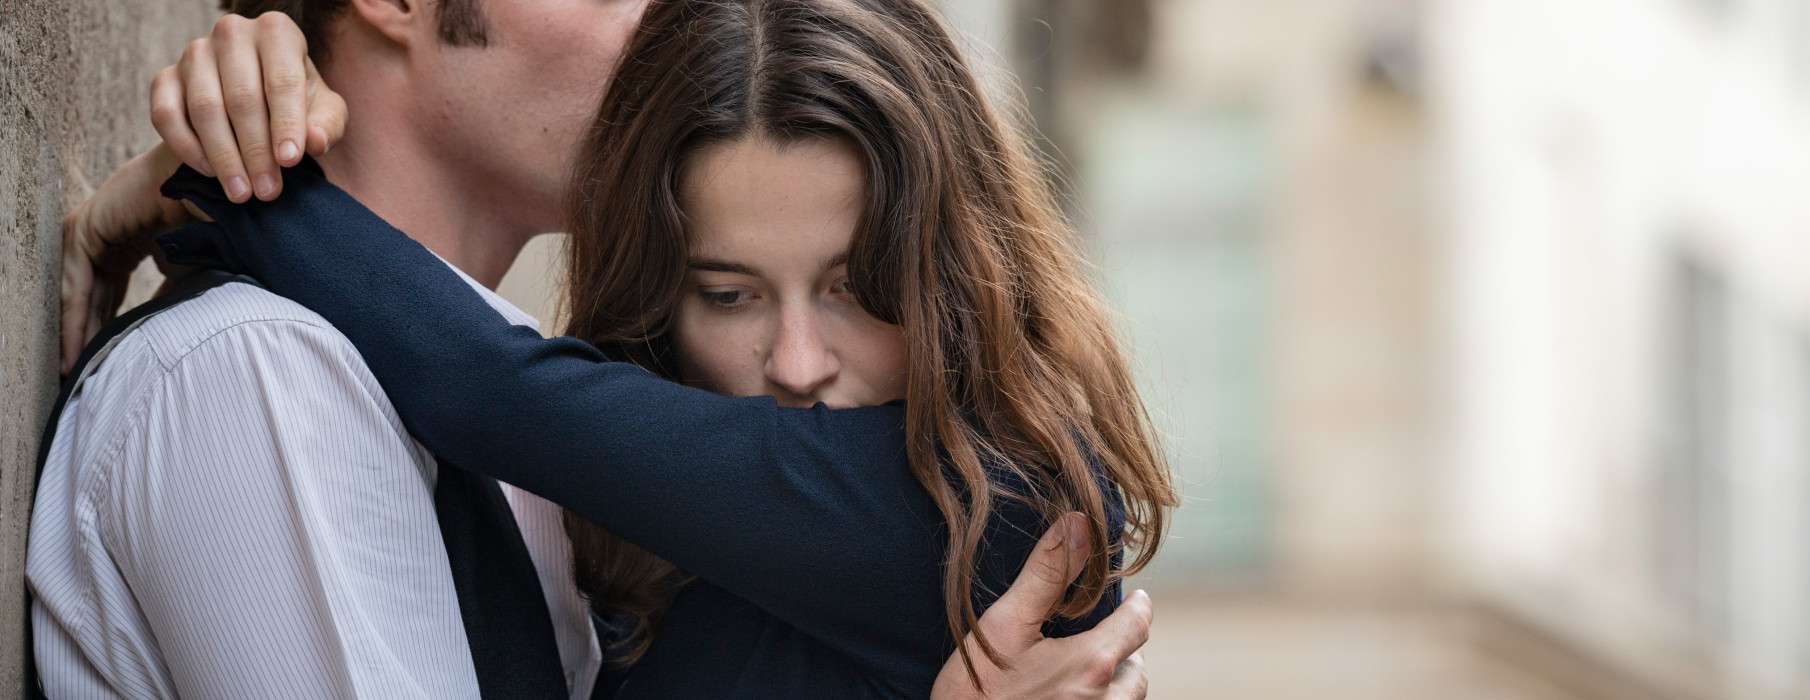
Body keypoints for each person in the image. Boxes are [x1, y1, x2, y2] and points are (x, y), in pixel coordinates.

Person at [39, 1, 1151, 699]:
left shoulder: (994, 509)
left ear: (953, 279)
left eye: (860, 289)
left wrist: (233, 186)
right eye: (726, 291)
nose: (798, 362)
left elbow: (489, 388)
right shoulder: (256, 383)